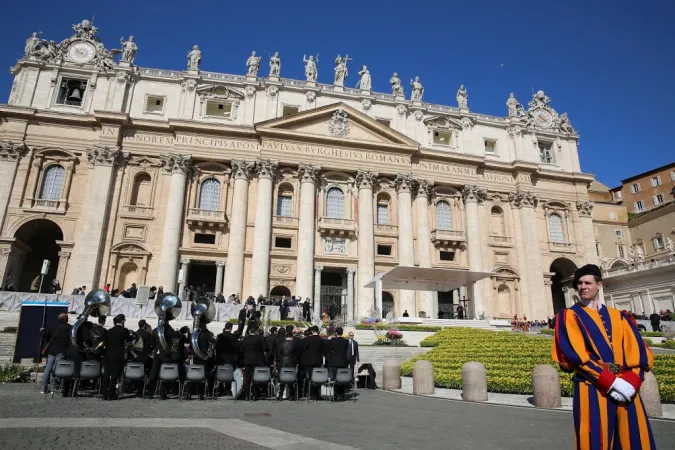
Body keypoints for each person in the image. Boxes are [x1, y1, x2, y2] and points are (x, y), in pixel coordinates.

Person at [552, 264, 655, 449]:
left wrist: (633, 380)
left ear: (599, 285)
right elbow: (575, 356)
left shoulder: (620, 316)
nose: (583, 287)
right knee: (595, 439)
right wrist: (611, 381)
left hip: (627, 385)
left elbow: (637, 351)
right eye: (580, 283)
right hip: (592, 386)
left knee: (633, 438)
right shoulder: (569, 316)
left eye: (588, 283)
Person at [40, 313, 71, 394]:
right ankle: (53, 387)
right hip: (61, 351)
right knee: (56, 369)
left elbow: (45, 335)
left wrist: (42, 331)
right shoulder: (68, 327)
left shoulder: (52, 326)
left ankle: (44, 387)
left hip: (51, 350)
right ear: (66, 319)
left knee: (48, 369)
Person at [101, 314, 129, 400]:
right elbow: (129, 341)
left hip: (108, 355)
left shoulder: (109, 331)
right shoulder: (124, 331)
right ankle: (111, 393)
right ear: (122, 321)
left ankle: (104, 393)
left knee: (106, 375)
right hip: (118, 356)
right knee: (115, 376)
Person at [240, 324, 266, 400]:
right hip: (256, 360)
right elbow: (264, 348)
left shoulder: (245, 339)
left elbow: (241, 350)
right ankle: (255, 394)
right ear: (256, 331)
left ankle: (247, 395)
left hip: (247, 360)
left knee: (247, 378)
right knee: (255, 378)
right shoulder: (259, 339)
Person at [323, 327, 349, 399]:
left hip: (334, 362)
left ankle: (336, 394)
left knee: (335, 378)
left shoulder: (333, 341)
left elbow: (329, 349)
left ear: (336, 333)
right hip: (343, 361)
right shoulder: (346, 341)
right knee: (342, 378)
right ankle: (341, 395)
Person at [299, 326, 324, 399]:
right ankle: (317, 394)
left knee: (309, 378)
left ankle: (310, 393)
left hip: (309, 361)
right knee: (317, 378)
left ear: (312, 331)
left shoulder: (308, 339)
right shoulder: (321, 340)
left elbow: (303, 349)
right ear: (318, 331)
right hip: (318, 361)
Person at [276, 327, 298, 400]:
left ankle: (280, 394)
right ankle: (291, 395)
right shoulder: (295, 343)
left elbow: (278, 354)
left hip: (283, 362)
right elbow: (297, 354)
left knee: (282, 379)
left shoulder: (281, 344)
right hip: (291, 362)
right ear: (291, 337)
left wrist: (279, 360)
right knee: (291, 379)